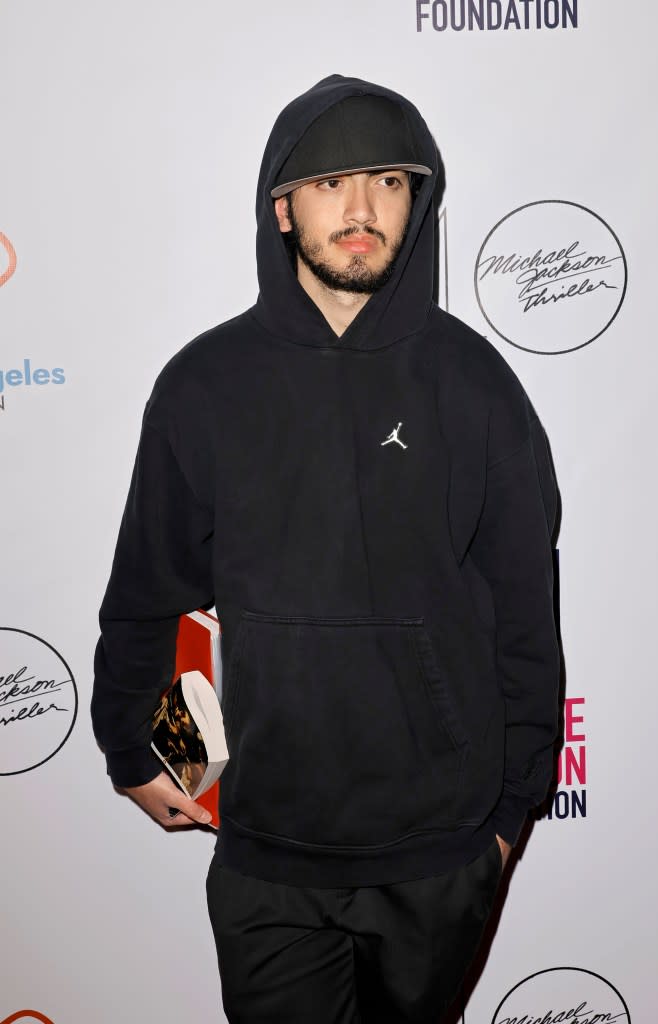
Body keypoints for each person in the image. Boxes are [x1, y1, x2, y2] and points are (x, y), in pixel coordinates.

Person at [91, 73, 560, 1023]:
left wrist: (508, 817)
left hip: (439, 853)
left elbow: (525, 615)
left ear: (416, 202)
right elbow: (150, 590)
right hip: (268, 849)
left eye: (388, 181)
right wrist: (131, 749)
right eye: (330, 182)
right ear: (281, 206)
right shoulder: (203, 385)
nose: (359, 208)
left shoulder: (474, 385)